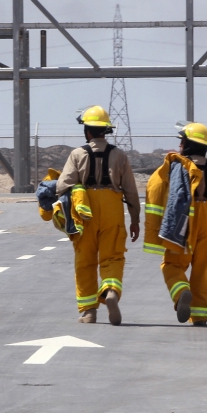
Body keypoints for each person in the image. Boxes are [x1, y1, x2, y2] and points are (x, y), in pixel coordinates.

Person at [143, 122, 207, 326]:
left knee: (172, 264)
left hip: (184, 219)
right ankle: (200, 316)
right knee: (203, 269)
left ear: (189, 144)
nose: (181, 145)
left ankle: (182, 291)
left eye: (183, 141)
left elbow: (161, 191)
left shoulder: (177, 167)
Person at [56, 105, 140, 325]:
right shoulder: (120, 155)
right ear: (106, 130)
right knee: (112, 256)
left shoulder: (77, 154)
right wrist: (135, 220)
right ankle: (111, 290)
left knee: (85, 261)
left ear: (88, 131)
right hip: (112, 207)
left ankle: (89, 312)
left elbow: (63, 186)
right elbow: (131, 190)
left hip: (85, 210)